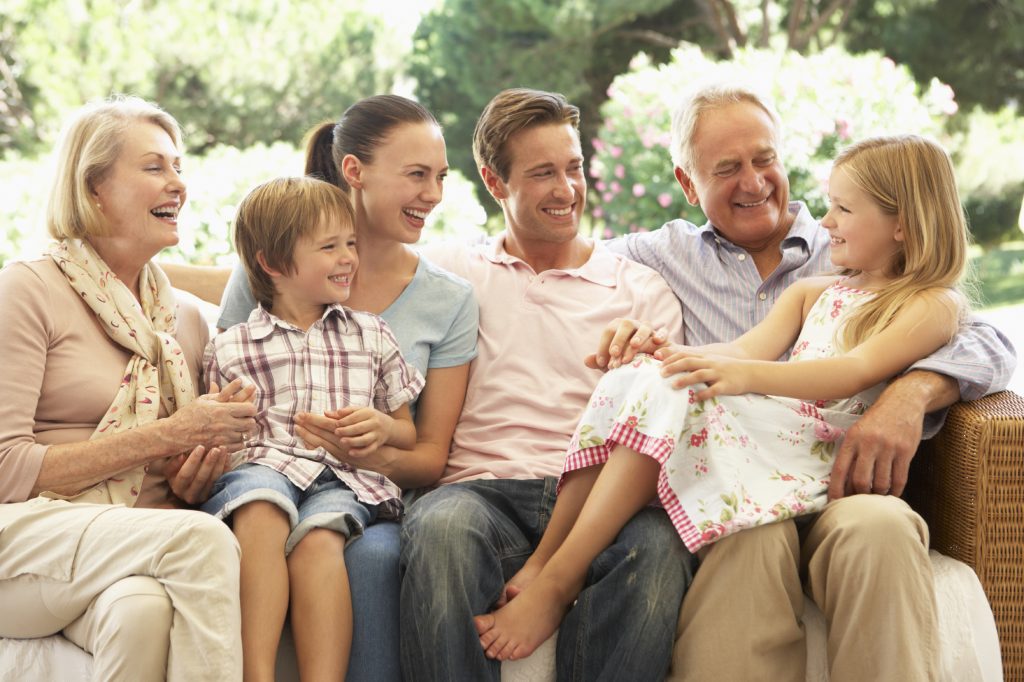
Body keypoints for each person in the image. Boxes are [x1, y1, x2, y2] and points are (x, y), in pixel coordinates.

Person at [473, 134, 972, 662]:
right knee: (644, 377)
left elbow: (852, 372)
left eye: (843, 209)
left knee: (671, 391)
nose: (826, 222)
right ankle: (549, 563)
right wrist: (662, 354)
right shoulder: (815, 292)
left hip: (824, 456)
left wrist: (741, 378)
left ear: (903, 224)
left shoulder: (932, 303)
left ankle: (557, 582)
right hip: (776, 446)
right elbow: (739, 349)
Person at [595, 83, 1016, 681]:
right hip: (749, 486)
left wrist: (914, 391)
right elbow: (561, 258)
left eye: (764, 159)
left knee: (879, 529)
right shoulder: (656, 256)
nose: (754, 181)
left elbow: (986, 339)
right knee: (747, 537)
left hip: (847, 486)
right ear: (688, 184)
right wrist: (652, 347)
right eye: (727, 168)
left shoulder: (848, 250)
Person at [396, 88, 692, 681]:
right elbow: (340, 261)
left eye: (574, 167)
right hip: (482, 493)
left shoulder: (640, 290)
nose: (567, 189)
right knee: (440, 528)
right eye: (543, 174)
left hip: (596, 500)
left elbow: (656, 429)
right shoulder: (451, 272)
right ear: (494, 181)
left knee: (657, 548)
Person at [215, 95, 478, 681]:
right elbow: (229, 396)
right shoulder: (272, 270)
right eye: (417, 175)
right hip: (268, 477)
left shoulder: (448, 299)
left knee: (375, 556)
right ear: (354, 171)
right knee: (261, 511)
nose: (433, 195)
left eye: (440, 177)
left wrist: (367, 445)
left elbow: (428, 455)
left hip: (367, 493)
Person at [0, 95, 258, 681]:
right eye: (154, 167)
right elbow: (3, 467)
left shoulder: (184, 319)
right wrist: (165, 435)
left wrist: (196, 472)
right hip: (21, 539)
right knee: (200, 541)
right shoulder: (26, 289)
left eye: (179, 167)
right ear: (94, 187)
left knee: (141, 611)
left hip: (125, 544)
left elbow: (175, 475)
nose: (178, 185)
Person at [203, 176, 425, 680]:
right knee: (260, 505)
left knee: (319, 539)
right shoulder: (231, 347)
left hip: (342, 477)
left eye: (350, 243)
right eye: (330, 247)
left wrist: (380, 430)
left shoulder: (371, 333)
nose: (349, 256)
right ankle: (255, 673)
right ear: (273, 263)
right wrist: (226, 423)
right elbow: (218, 440)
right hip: (264, 468)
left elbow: (406, 432)